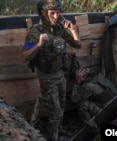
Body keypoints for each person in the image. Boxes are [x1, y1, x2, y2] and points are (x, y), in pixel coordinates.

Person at [20, 0, 81, 140]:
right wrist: (39, 45)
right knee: (55, 113)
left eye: (58, 13)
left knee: (61, 107)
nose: (55, 16)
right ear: (43, 13)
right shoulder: (35, 32)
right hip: (47, 79)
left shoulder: (59, 29)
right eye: (52, 13)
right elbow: (23, 57)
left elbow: (77, 44)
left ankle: (58, 133)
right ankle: (52, 138)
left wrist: (72, 30)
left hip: (61, 76)